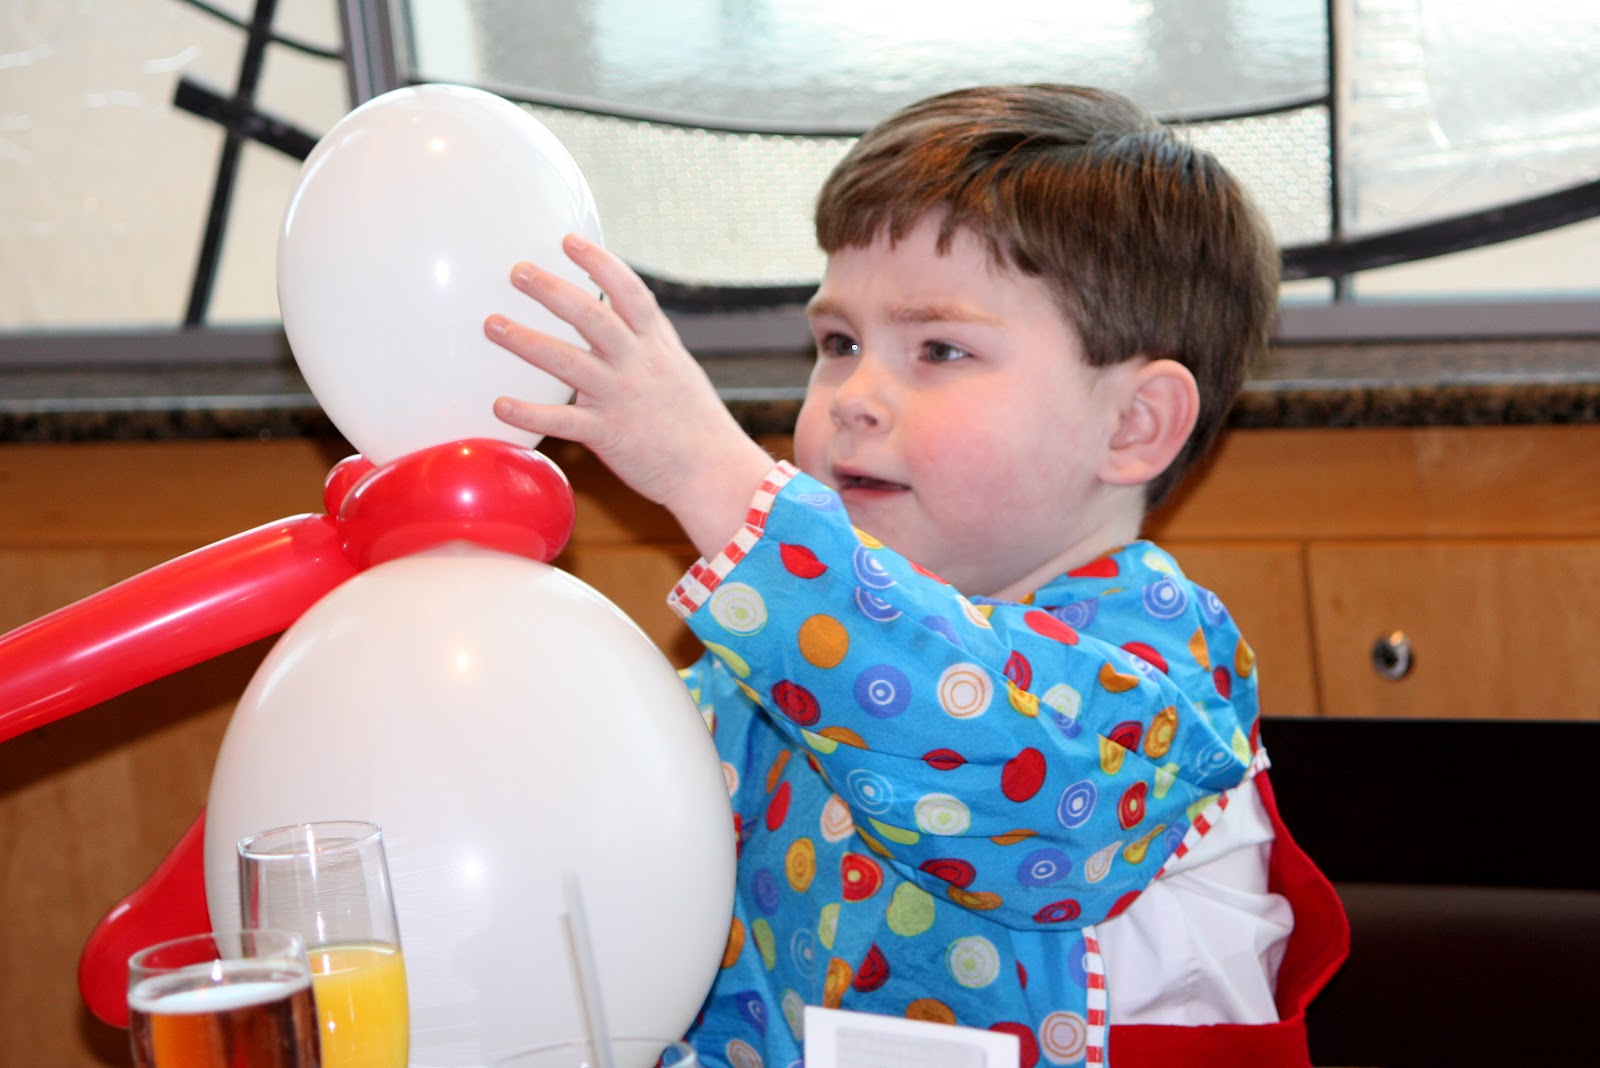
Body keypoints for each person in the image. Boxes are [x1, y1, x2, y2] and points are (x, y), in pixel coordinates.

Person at [484, 84, 1348, 1068]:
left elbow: (1002, 772)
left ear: (1132, 425)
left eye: (939, 349)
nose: (854, 395)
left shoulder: (1160, 658)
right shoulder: (764, 665)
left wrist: (715, 480)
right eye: (839, 344)